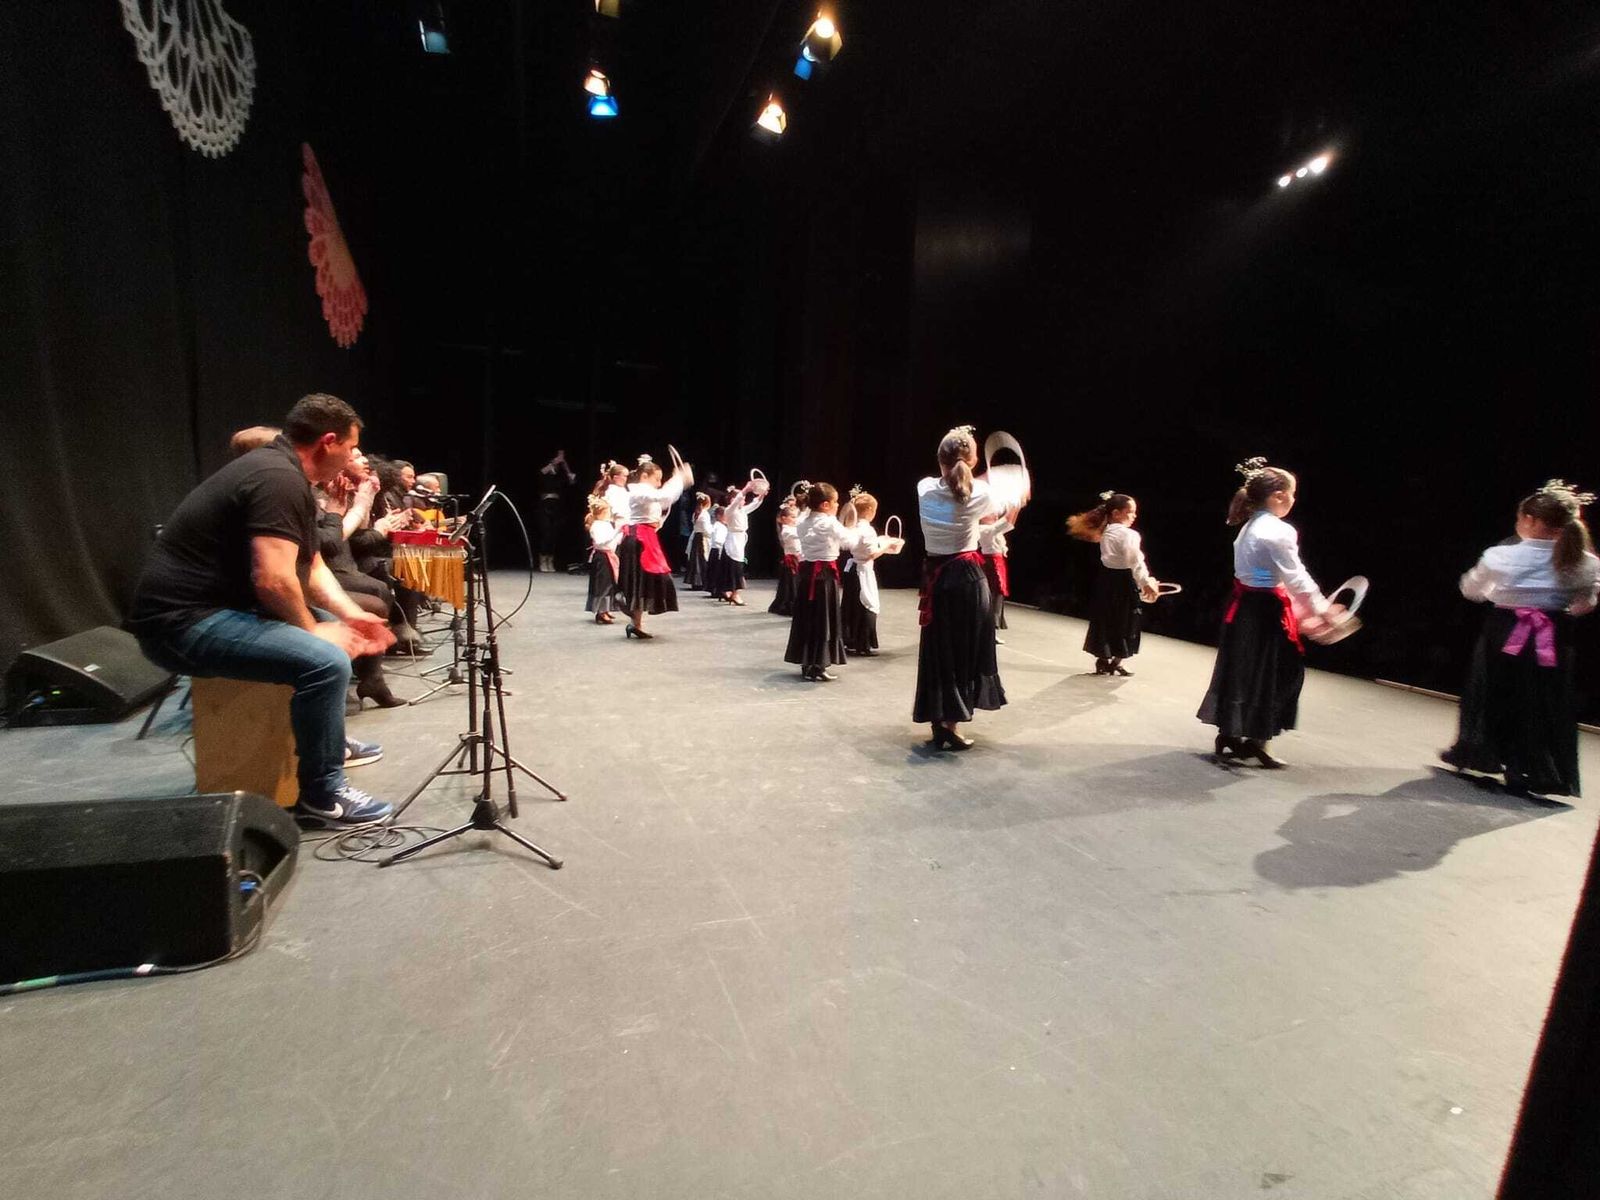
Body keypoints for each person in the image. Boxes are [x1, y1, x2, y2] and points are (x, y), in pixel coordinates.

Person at [127, 394, 396, 824]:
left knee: (332, 629)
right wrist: (313, 632)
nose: (352, 459)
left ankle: (328, 740)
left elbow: (311, 566)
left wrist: (350, 615)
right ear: (328, 442)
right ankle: (323, 795)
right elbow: (273, 579)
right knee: (324, 661)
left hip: (216, 610)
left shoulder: (288, 476)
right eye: (350, 448)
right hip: (179, 624)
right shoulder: (276, 478)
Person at [1442, 480, 1600, 798]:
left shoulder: (1501, 555)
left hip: (1504, 630)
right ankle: (1532, 766)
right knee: (1542, 699)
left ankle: (1484, 752)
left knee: (1495, 691)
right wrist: (1559, 606)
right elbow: (1586, 603)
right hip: (1553, 634)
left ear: (1529, 520)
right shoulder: (1586, 561)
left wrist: (1501, 594)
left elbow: (1471, 590)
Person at [1196, 458, 1339, 769]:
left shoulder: (1250, 526)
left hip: (1246, 607)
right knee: (1281, 674)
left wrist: (1309, 609)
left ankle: (1230, 734)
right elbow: (1295, 576)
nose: (1294, 499)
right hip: (1264, 611)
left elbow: (1273, 577)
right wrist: (1323, 609)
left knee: (1244, 671)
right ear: (1278, 495)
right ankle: (1257, 740)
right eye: (1293, 493)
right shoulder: (1278, 530)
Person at [913, 427, 1009, 748]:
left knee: (940, 648)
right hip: (967, 578)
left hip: (937, 576)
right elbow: (993, 505)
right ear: (974, 460)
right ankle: (950, 723)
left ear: (939, 458)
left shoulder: (924, 488)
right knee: (963, 649)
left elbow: (958, 481)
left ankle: (939, 720)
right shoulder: (983, 494)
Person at [1069, 491, 1161, 676]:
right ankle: (1117, 661)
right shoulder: (1129, 535)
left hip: (1106, 580)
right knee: (1127, 620)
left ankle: (1103, 660)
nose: (1134, 516)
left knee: (1106, 618)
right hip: (1124, 580)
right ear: (1116, 513)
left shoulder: (1104, 532)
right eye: (1130, 512)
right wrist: (1145, 582)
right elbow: (1134, 561)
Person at [785, 483, 863, 681]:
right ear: (825, 504)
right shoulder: (829, 522)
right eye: (835, 502)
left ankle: (807, 662)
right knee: (822, 619)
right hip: (824, 575)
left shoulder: (803, 521)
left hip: (807, 574)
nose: (837, 505)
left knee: (808, 618)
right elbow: (850, 542)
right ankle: (818, 664)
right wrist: (854, 527)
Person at [619, 453, 692, 639]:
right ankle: (628, 609)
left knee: (645, 582)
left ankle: (635, 622)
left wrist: (677, 480)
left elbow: (664, 502)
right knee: (645, 580)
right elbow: (663, 496)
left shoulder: (645, 492)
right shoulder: (638, 490)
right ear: (644, 476)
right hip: (639, 539)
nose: (659, 483)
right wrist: (679, 479)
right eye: (657, 479)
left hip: (645, 537)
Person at [841, 488, 887, 656]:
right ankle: (863, 643)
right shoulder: (867, 529)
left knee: (852, 604)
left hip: (853, 570)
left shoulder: (853, 526)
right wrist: (886, 546)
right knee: (867, 604)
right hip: (862, 570)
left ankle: (850, 640)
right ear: (869, 510)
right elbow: (871, 553)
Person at [719, 479, 767, 606]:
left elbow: (754, 505)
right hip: (733, 540)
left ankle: (731, 591)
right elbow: (736, 502)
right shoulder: (729, 510)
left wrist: (761, 495)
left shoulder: (742, 510)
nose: (744, 501)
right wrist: (745, 490)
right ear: (733, 500)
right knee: (736, 567)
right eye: (742, 499)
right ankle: (734, 593)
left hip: (740, 540)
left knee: (736, 566)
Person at [584, 496, 624, 624]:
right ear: (601, 512)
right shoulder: (596, 525)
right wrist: (616, 532)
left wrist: (621, 533)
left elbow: (614, 541)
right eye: (608, 511)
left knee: (609, 584)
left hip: (609, 555)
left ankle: (606, 609)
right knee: (602, 585)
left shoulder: (606, 525)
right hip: (602, 557)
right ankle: (600, 612)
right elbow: (601, 541)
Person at [537, 450, 577, 572]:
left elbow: (572, 480)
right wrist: (555, 462)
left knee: (554, 533)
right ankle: (542, 559)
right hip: (545, 505)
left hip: (557, 506)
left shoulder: (561, 474)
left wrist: (565, 466)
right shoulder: (546, 472)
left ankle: (550, 560)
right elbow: (541, 473)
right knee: (546, 533)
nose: (560, 458)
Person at [768, 498, 801, 616]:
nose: (795, 519)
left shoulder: (793, 528)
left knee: (792, 584)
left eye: (795, 517)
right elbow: (798, 534)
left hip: (797, 559)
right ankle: (788, 606)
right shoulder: (786, 531)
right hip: (791, 561)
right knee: (790, 585)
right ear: (784, 518)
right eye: (792, 517)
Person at [685, 493, 712, 590]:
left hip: (696, 537)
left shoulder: (696, 513)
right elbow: (706, 529)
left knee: (696, 559)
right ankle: (701, 582)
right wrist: (712, 532)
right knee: (702, 559)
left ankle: (695, 582)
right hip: (702, 538)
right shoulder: (705, 514)